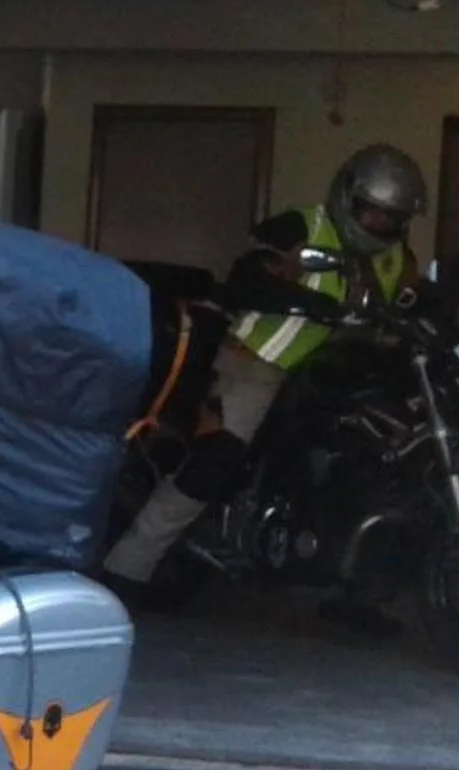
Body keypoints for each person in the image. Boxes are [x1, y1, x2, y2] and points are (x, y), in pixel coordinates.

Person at [100, 143, 429, 610]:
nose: (379, 226)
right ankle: (124, 572)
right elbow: (245, 278)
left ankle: (359, 594)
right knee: (218, 458)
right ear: (347, 195)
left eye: (390, 218)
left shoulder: (394, 259)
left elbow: (417, 297)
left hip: (323, 376)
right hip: (254, 365)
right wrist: (308, 302)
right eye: (370, 213)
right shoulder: (304, 227)